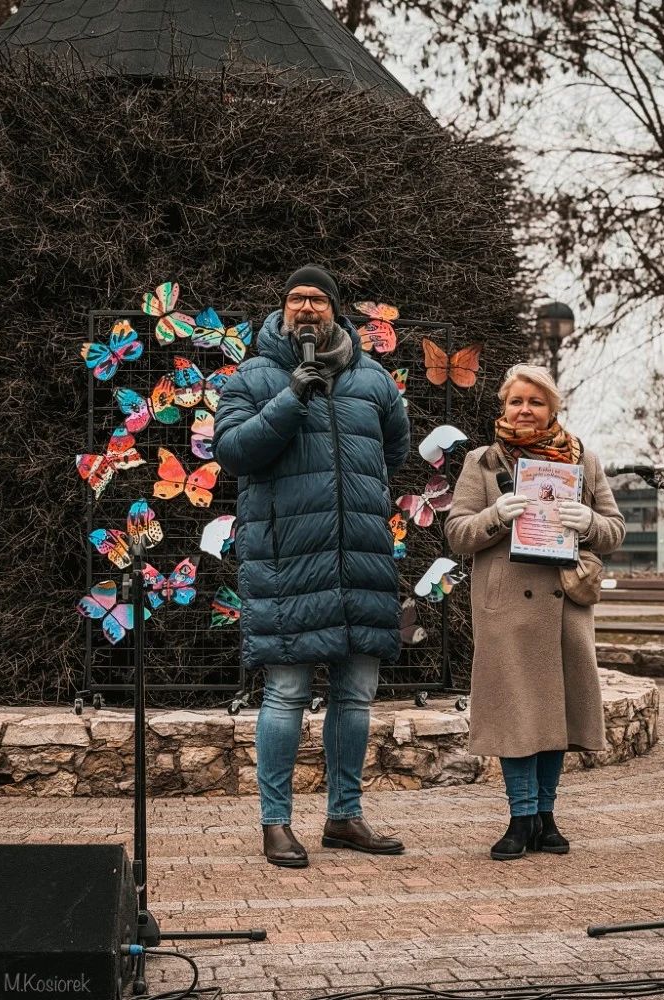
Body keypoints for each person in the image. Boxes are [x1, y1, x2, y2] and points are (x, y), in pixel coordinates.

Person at [213, 265, 410, 868]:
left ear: (334, 309)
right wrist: (291, 397)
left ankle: (344, 817)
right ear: (282, 309)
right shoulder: (252, 376)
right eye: (296, 298)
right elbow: (232, 452)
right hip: (286, 563)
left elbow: (394, 450)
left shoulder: (374, 379)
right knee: (286, 693)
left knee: (355, 695)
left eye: (317, 299)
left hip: (360, 558)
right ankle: (276, 824)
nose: (306, 308)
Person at [444, 364, 625, 861]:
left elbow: (614, 530)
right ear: (504, 406)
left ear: (552, 408)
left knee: (554, 714)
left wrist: (589, 522)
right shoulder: (482, 462)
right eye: (516, 401)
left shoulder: (583, 460)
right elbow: (457, 533)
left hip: (564, 605)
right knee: (516, 713)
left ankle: (545, 816)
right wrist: (495, 516)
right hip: (506, 609)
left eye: (536, 402)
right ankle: (520, 817)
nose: (525, 410)